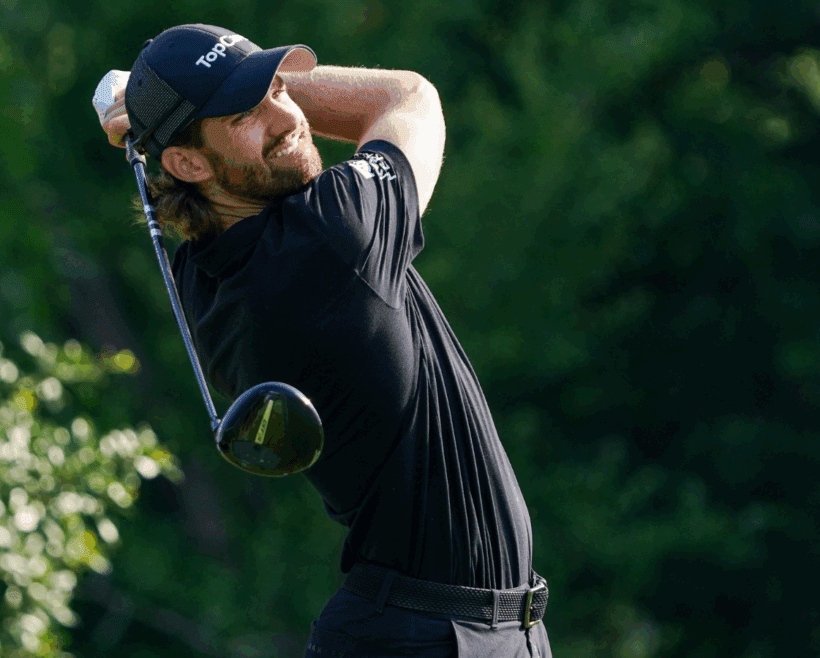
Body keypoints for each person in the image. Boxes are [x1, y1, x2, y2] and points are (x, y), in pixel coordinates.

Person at [96, 23, 552, 658]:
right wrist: (157, 111)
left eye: (279, 90)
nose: (285, 118)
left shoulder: (203, 277)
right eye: (246, 114)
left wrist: (167, 112)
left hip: (446, 629)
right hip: (429, 636)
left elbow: (207, 182)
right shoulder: (331, 239)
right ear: (189, 163)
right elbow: (407, 97)